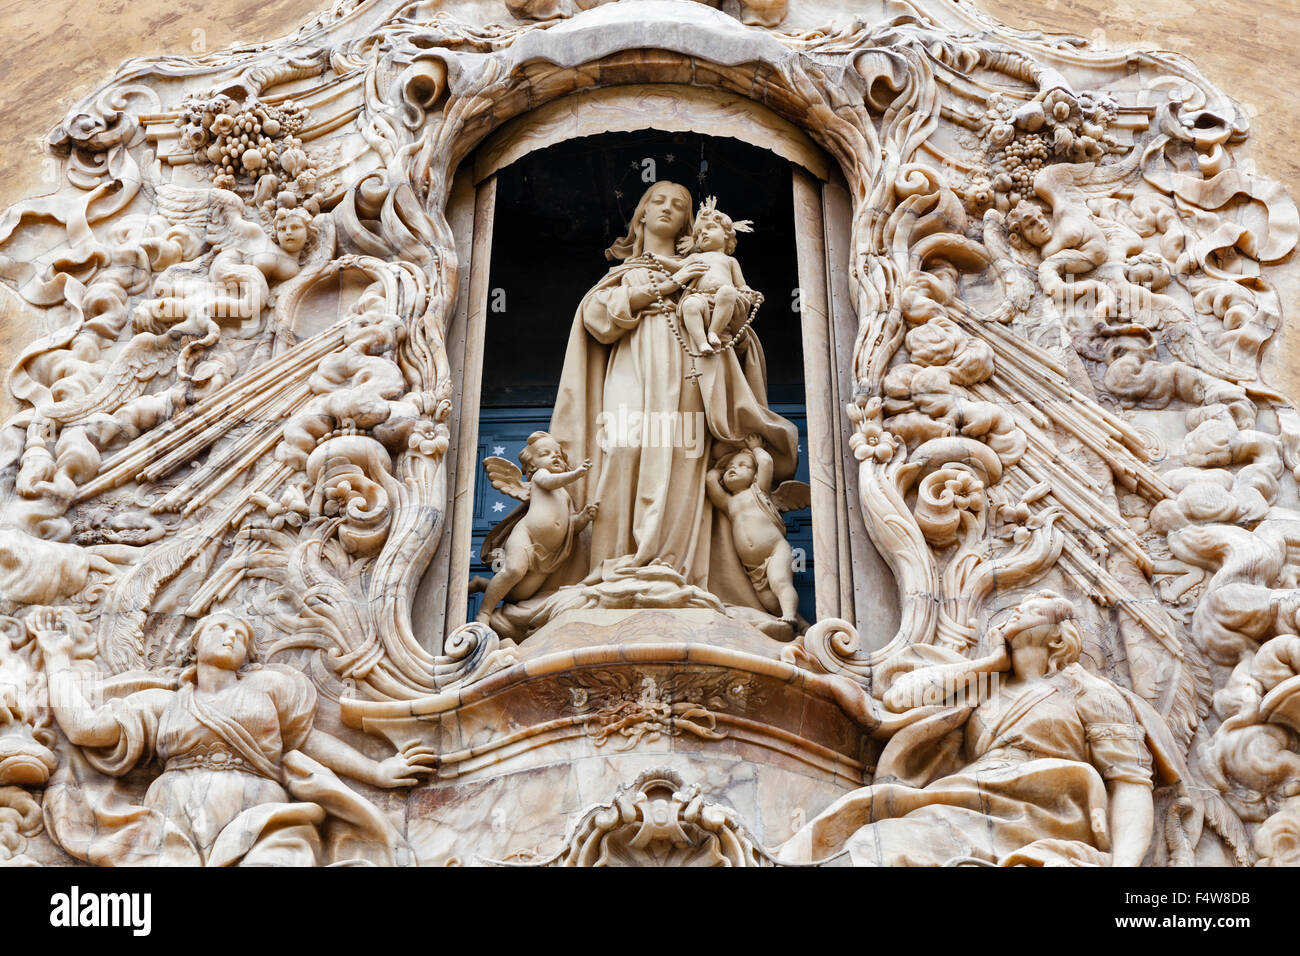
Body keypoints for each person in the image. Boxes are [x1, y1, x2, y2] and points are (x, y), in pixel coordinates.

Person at [538, 180, 798, 619]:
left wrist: (729, 324)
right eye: (657, 201)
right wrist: (672, 282)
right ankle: (613, 560)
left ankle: (670, 566)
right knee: (622, 448)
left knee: (683, 455)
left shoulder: (706, 264)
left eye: (679, 205)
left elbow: (735, 327)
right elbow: (599, 318)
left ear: (688, 222)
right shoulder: (630, 270)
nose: (667, 208)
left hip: (688, 366)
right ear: (640, 214)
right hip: (632, 364)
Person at [778, 590, 1179, 866]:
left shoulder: (1088, 692)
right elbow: (900, 698)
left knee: (889, 846)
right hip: (966, 797)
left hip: (1044, 809)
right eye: (1019, 606)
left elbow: (1129, 783)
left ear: (1058, 636)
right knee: (868, 835)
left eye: (1035, 609)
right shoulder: (984, 684)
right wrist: (989, 664)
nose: (1019, 611)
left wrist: (1125, 864)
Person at [35, 608, 434, 866]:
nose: (230, 636)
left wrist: (377, 771)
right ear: (195, 645)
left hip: (261, 814)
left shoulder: (270, 690)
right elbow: (84, 729)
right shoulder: (162, 703)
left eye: (240, 635)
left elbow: (305, 742)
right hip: (173, 818)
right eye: (220, 628)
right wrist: (57, 657)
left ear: (248, 655)